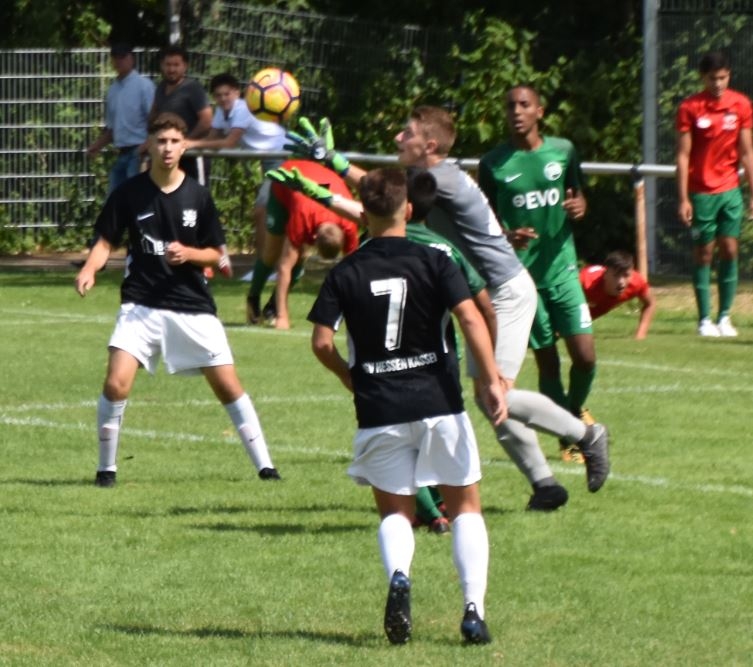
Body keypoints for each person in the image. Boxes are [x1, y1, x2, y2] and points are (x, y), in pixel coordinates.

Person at [286, 109, 609, 509]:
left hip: (503, 292)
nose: (398, 138)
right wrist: (324, 191)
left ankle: (585, 435)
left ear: (430, 145)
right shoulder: (430, 179)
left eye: (407, 133)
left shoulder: (443, 178)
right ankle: (545, 486)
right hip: (487, 292)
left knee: (496, 392)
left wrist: (332, 162)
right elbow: (379, 212)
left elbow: (379, 195)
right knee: (490, 396)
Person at [308, 167, 507, 645]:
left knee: (396, 513)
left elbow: (321, 342)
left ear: (363, 213)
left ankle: (400, 575)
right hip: (439, 402)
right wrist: (492, 379)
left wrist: (350, 377)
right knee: (465, 508)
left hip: (380, 407)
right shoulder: (435, 260)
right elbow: (470, 318)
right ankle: (473, 610)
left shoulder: (345, 271)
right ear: (410, 210)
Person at [73, 112, 280, 487]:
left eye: (174, 142)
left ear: (184, 147)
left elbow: (218, 257)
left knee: (228, 386)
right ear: (149, 146)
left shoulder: (198, 196)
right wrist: (90, 268)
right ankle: (106, 471)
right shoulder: (129, 193)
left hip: (191, 305)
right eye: (161, 141)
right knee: (116, 383)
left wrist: (190, 254)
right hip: (140, 305)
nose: (167, 148)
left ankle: (266, 467)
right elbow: (105, 242)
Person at [478, 86, 598, 430]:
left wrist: (580, 206)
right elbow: (483, 221)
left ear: (539, 112)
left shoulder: (563, 151)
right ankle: (568, 436)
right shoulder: (493, 164)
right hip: (522, 279)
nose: (516, 111)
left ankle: (573, 413)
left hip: (563, 269)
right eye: (510, 106)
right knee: (548, 363)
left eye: (524, 104)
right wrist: (506, 236)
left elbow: (579, 196)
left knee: (585, 357)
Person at [675, 50, 753, 337]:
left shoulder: (741, 105)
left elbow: (747, 152)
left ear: (729, 75)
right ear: (702, 78)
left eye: (722, 78)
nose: (717, 84)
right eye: (712, 78)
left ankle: (725, 317)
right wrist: (683, 198)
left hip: (730, 189)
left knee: (730, 248)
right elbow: (683, 155)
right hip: (701, 192)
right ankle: (704, 319)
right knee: (704, 252)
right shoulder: (690, 107)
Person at [185, 72, 288, 276]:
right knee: (275, 214)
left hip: (283, 158)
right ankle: (276, 266)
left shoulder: (242, 109)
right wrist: (183, 144)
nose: (223, 99)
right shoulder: (221, 112)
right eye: (218, 95)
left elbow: (229, 142)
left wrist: (191, 144)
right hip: (269, 161)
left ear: (237, 93)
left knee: (262, 211)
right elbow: (212, 138)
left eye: (227, 94)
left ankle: (264, 269)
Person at [248, 159, 359, 329]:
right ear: (313, 237)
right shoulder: (304, 216)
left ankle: (272, 306)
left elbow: (354, 271)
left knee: (299, 259)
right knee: (272, 254)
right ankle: (253, 298)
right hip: (284, 184)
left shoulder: (349, 223)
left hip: (312, 183)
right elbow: (284, 267)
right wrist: (283, 319)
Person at [86, 42, 155, 193]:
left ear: (131, 58)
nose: (119, 61)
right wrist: (97, 145)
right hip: (122, 152)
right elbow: (112, 128)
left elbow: (155, 120)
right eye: (115, 57)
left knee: (136, 198)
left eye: (123, 57)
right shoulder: (113, 90)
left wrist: (149, 145)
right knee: (115, 199)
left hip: (140, 151)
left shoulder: (144, 86)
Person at [149, 45, 212, 183]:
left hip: (193, 158)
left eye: (176, 65)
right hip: (169, 159)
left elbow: (206, 120)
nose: (171, 69)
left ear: (185, 66)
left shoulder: (193, 88)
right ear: (161, 65)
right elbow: (153, 117)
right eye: (168, 64)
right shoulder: (160, 88)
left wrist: (184, 142)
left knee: (195, 195)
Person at [581, 250, 656, 339]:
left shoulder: (636, 282)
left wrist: (640, 335)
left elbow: (650, 304)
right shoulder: (585, 282)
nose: (621, 282)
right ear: (605, 274)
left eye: (626, 275)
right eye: (616, 275)